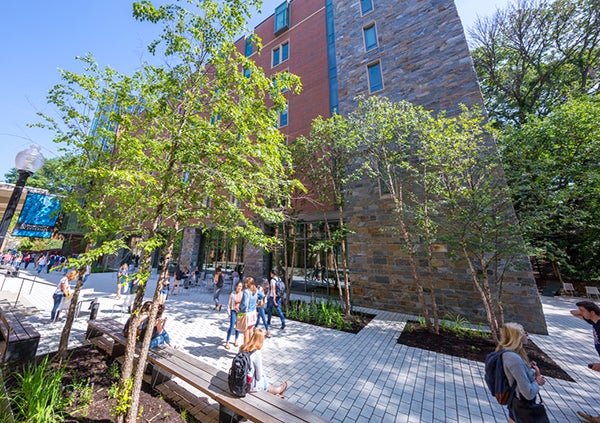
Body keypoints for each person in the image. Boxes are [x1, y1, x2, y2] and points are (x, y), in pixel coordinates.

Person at [497, 322, 546, 423]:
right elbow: (528, 393)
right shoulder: (514, 359)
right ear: (517, 337)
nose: (526, 335)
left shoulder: (509, 353)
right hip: (522, 402)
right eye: (524, 332)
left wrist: (533, 371)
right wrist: (537, 381)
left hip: (515, 400)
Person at [241, 328, 288, 397]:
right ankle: (276, 391)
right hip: (248, 386)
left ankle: (275, 392)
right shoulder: (256, 353)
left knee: (262, 374)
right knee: (262, 376)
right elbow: (258, 377)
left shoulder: (242, 348)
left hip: (238, 380)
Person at [570, 300, 600, 370]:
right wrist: (582, 312)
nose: (580, 312)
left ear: (592, 312)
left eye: (582, 310)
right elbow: (573, 313)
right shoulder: (594, 321)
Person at [238, 276, 259, 345]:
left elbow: (244, 304)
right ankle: (250, 346)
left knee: (246, 332)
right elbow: (262, 296)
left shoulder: (246, 292)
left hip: (247, 314)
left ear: (247, 283)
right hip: (253, 313)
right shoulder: (255, 290)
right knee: (251, 331)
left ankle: (245, 349)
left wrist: (239, 311)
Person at [225, 281, 243, 349]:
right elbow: (229, 304)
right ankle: (227, 341)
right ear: (236, 286)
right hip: (233, 311)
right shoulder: (233, 294)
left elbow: (244, 304)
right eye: (239, 286)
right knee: (232, 326)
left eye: (241, 286)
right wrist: (229, 312)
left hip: (240, 312)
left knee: (238, 327)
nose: (240, 288)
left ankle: (236, 340)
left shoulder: (243, 294)